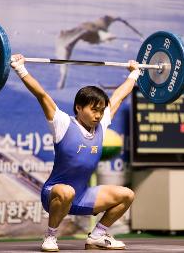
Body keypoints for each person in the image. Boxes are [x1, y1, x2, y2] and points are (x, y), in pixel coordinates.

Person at [11, 54, 139, 251]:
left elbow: (119, 97)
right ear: (79, 108)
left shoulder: (102, 124)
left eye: (101, 110)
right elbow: (42, 95)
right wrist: (20, 68)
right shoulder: (62, 123)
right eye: (94, 110)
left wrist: (135, 74)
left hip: (82, 196)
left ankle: (97, 236)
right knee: (67, 191)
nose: (98, 115)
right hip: (54, 193)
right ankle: (50, 236)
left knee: (127, 195)